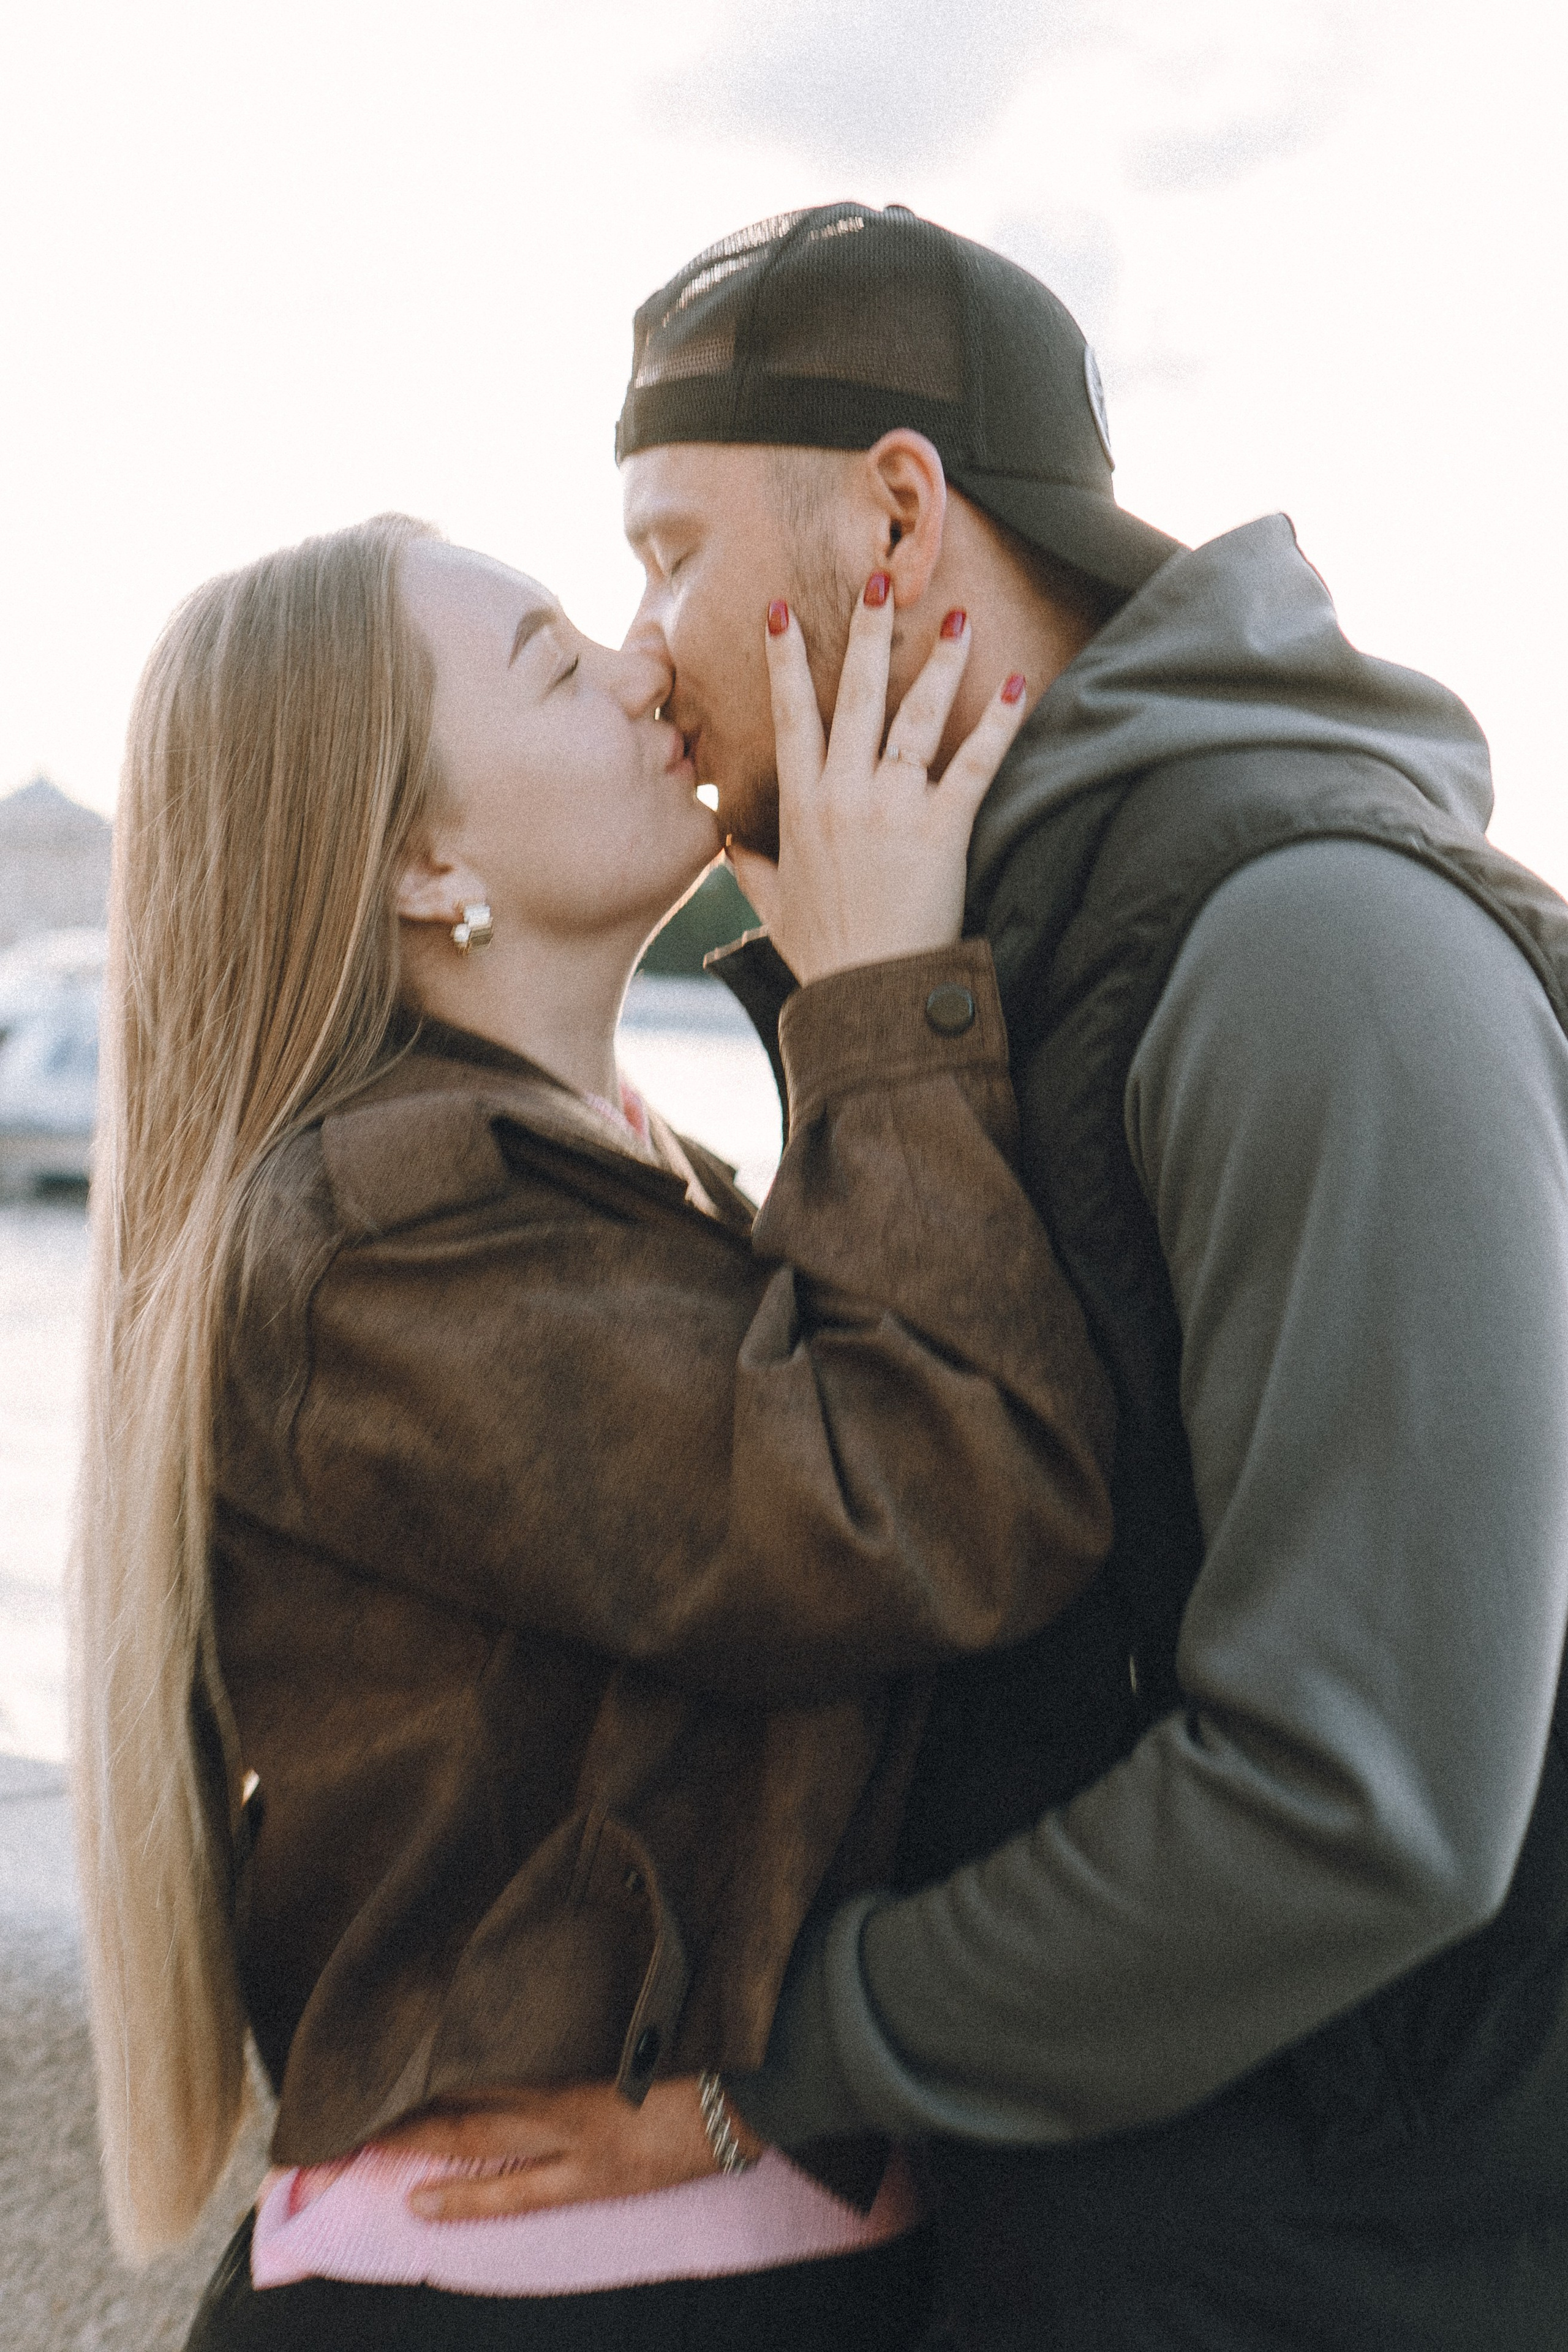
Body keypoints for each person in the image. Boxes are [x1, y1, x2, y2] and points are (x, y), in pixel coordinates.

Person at [432, 203, 1568, 2350]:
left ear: (893, 515)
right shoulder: (972, 949)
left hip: (1350, 2276)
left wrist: (780, 2070)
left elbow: (1364, 1807)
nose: (639, 641)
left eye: (667, 550)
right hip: (1097, 2243)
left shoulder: (1316, 949)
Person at [69, 510, 1120, 2351]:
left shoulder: (616, 1178)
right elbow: (931, 1512)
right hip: (536, 2308)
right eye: (559, 662)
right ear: (418, 859)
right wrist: (879, 998)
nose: (647, 665)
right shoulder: (377, 1240)